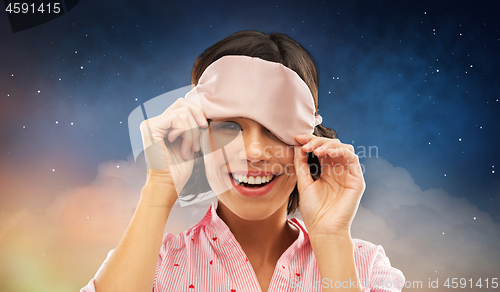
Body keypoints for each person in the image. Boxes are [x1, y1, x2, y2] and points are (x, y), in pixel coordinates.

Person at [80, 30, 405, 292]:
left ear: (310, 140)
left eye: (275, 129)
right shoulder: (151, 263)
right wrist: (160, 185)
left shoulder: (364, 267)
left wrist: (332, 239)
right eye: (228, 126)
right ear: (197, 134)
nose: (253, 151)